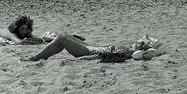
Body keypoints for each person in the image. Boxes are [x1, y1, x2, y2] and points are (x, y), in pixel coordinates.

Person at [21, 33, 160, 62]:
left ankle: (36, 58)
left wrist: (80, 60)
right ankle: (40, 55)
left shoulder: (125, 52)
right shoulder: (127, 47)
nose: (139, 41)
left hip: (89, 51)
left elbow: (101, 56)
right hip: (92, 46)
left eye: (142, 43)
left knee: (62, 39)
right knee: (64, 35)